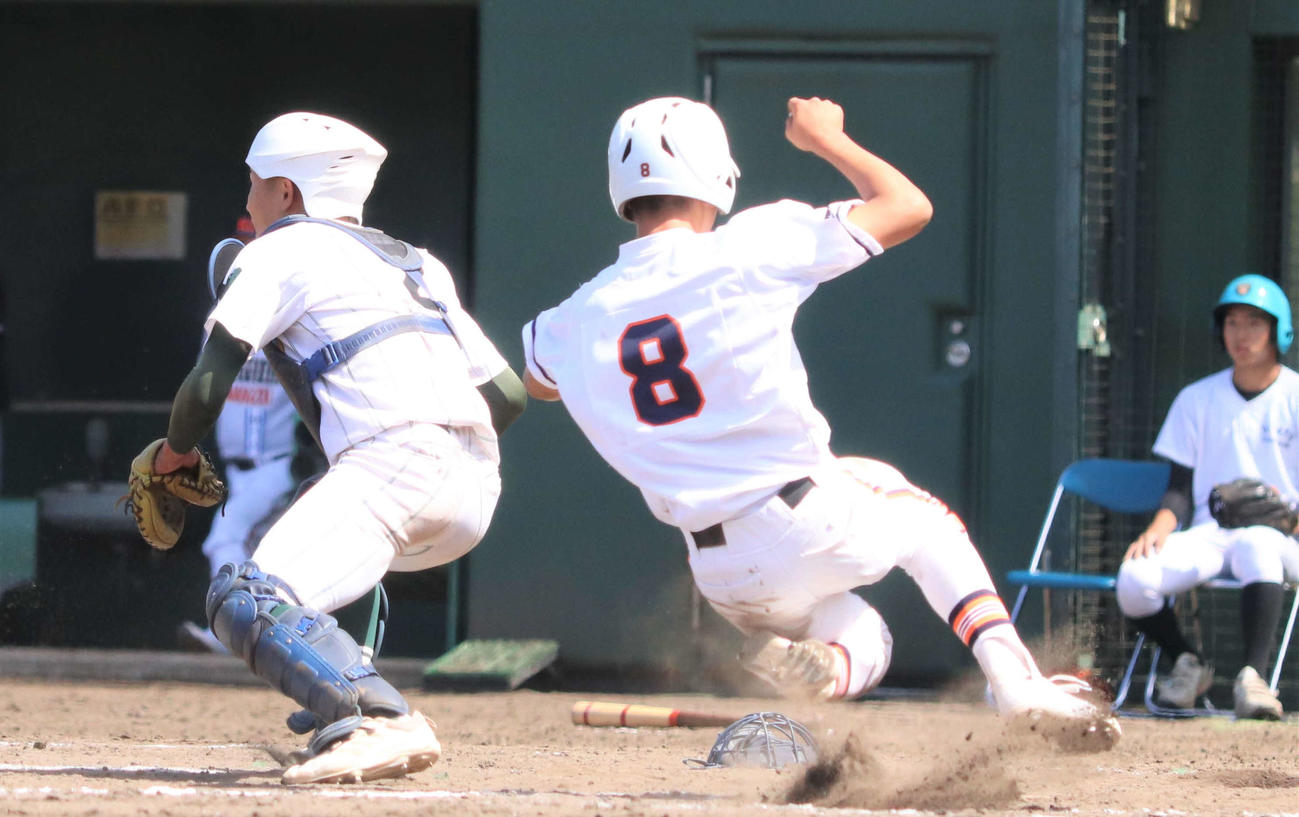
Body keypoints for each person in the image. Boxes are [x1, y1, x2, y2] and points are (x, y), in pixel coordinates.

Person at [520, 95, 1119, 748]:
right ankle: (1013, 681)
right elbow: (907, 207)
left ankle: (831, 666)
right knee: (920, 519)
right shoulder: (746, 247)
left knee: (859, 628)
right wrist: (829, 140)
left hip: (720, 573)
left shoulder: (568, 320)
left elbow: (536, 382)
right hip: (802, 519)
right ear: (714, 172)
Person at [145, 111, 524, 784]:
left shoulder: (280, 248)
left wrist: (174, 452)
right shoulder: (418, 262)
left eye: (257, 184)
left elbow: (207, 384)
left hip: (395, 464)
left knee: (243, 597)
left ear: (288, 193)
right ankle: (342, 705)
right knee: (293, 595)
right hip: (473, 486)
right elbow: (507, 394)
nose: (249, 200)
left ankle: (380, 716)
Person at [1117, 273, 1299, 720]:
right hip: (1212, 532)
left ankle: (1254, 679)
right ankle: (1188, 662)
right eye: (1232, 323)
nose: (1241, 334)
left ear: (1279, 330)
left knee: (1258, 542)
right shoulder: (1197, 399)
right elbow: (1179, 489)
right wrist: (1159, 527)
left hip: (1284, 538)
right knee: (1135, 577)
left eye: (1255, 323)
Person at [178, 216, 304, 654]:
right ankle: (263, 638)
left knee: (224, 541)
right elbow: (206, 387)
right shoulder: (224, 328)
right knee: (261, 557)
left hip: (277, 465)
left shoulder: (291, 324)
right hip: (241, 470)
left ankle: (229, 634)